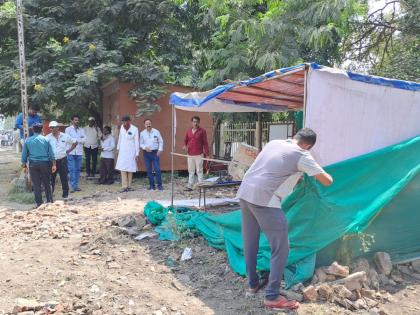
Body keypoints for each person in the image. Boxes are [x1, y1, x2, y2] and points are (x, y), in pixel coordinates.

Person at [236, 128, 333, 311]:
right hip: (265, 199)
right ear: (307, 145)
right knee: (281, 248)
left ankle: (253, 284)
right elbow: (327, 180)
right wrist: (312, 166)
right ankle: (272, 297)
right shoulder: (302, 154)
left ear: (295, 136)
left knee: (250, 242)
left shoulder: (275, 143)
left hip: (245, 193)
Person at [21, 123, 56, 207]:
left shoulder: (28, 140)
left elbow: (24, 155)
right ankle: (49, 202)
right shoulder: (46, 140)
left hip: (33, 164)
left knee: (36, 185)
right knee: (47, 183)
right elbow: (51, 154)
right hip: (45, 164)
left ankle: (39, 204)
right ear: (41, 130)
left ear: (33, 130)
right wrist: (54, 164)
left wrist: (24, 166)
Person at [47, 121, 77, 199]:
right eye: (51, 128)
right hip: (51, 161)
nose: (52, 129)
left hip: (62, 160)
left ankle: (65, 195)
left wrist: (69, 150)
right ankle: (50, 195)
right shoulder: (47, 137)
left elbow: (75, 142)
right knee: (51, 178)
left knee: (64, 178)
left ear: (58, 127)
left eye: (53, 127)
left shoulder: (65, 136)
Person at [183, 116, 209, 191]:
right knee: (191, 170)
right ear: (192, 122)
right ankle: (190, 186)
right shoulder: (188, 131)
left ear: (199, 122)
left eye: (197, 122)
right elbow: (185, 140)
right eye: (194, 121)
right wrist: (185, 146)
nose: (195, 123)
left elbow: (205, 143)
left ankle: (201, 187)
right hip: (190, 154)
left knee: (199, 171)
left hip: (199, 154)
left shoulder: (202, 131)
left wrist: (207, 154)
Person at [115, 115, 139, 192]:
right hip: (122, 151)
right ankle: (124, 186)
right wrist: (118, 148)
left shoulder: (135, 129)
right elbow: (120, 138)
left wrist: (137, 153)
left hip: (131, 151)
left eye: (126, 121)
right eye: (123, 121)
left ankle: (129, 186)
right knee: (122, 168)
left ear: (129, 121)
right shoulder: (122, 127)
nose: (124, 123)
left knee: (130, 168)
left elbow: (136, 142)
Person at [140, 119, 163, 190]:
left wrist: (160, 150)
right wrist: (145, 147)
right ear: (144, 125)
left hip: (155, 153)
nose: (148, 125)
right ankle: (151, 186)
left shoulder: (156, 132)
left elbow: (161, 141)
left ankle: (159, 185)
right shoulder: (142, 133)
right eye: (146, 124)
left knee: (157, 169)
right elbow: (140, 143)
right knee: (148, 170)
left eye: (149, 123)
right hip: (146, 153)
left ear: (151, 124)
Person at [65, 115, 86, 192]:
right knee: (72, 169)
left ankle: (76, 186)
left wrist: (77, 140)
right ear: (72, 121)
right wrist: (77, 140)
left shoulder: (82, 130)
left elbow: (84, 139)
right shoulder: (68, 129)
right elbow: (67, 139)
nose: (77, 121)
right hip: (71, 152)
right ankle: (72, 186)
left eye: (77, 120)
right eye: (75, 120)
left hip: (79, 152)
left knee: (77, 170)